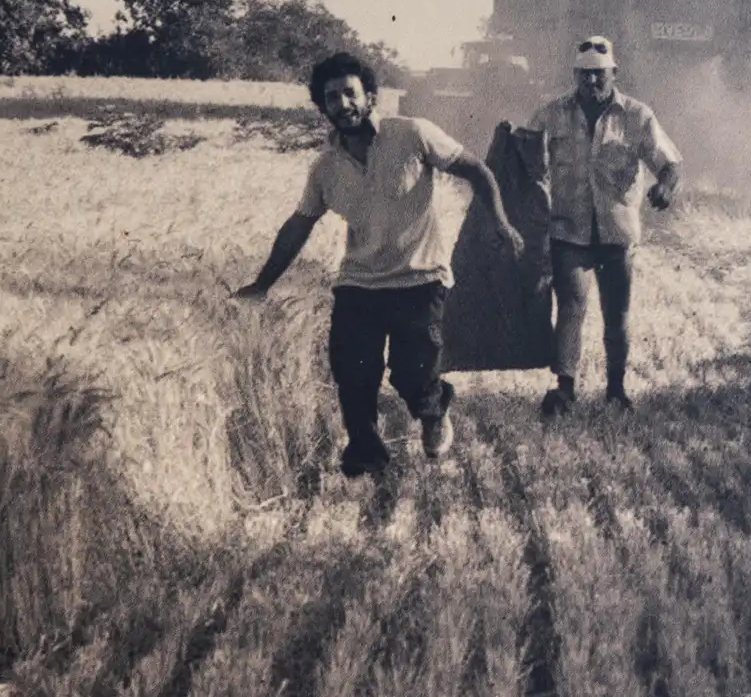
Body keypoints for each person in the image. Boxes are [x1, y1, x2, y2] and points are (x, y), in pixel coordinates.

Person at [234, 52, 524, 478]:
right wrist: (261, 284)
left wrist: (499, 221)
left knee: (411, 376)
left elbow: (476, 170)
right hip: (359, 283)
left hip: (420, 277)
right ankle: (367, 458)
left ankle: (434, 408)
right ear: (323, 107)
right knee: (351, 372)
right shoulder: (325, 169)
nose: (342, 104)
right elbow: (299, 225)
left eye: (349, 93)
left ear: (370, 96)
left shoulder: (412, 134)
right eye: (331, 97)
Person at [527, 35, 682, 417]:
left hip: (617, 233)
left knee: (617, 315)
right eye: (584, 75)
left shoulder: (638, 116)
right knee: (571, 307)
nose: (592, 83)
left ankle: (616, 389)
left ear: (614, 72)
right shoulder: (551, 114)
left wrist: (664, 185)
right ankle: (565, 389)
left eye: (599, 75)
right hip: (569, 231)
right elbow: (525, 157)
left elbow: (670, 162)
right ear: (574, 75)